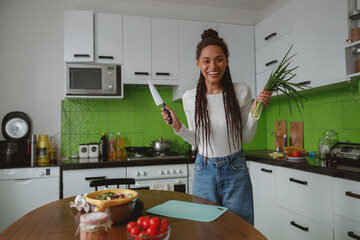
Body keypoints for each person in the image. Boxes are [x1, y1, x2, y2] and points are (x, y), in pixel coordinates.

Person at [160, 28, 272, 225]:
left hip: (235, 169)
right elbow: (197, 140)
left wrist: (255, 112)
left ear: (227, 61)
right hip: (204, 170)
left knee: (240, 231)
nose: (213, 66)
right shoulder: (190, 97)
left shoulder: (241, 91)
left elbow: (245, 138)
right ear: (198, 64)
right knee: (205, 231)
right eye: (206, 60)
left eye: (219, 59)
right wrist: (178, 126)